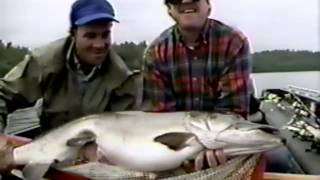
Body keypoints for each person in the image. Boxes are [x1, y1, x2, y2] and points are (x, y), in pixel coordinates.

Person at [0, 0, 140, 173]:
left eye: (105, 35)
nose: (99, 45)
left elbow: (123, 133)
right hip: (49, 152)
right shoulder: (45, 62)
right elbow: (3, 95)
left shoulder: (123, 79)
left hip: (96, 160)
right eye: (90, 36)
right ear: (73, 34)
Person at [142, 0, 252, 171]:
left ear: (209, 5)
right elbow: (161, 118)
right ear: (169, 10)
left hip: (224, 140)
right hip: (177, 144)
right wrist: (190, 149)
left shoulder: (234, 42)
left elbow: (232, 111)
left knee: (280, 159)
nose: (186, 1)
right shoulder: (155, 52)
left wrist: (211, 145)